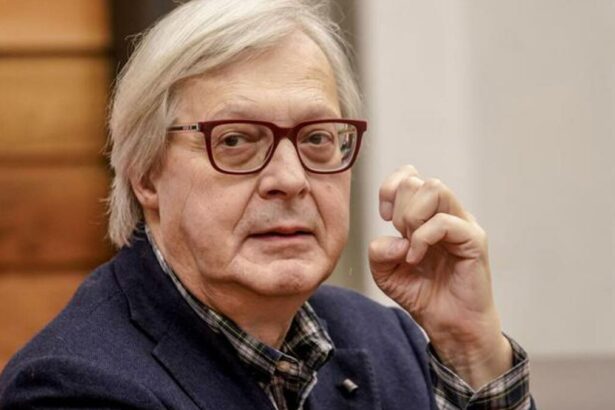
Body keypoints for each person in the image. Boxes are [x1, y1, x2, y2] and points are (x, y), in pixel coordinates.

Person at [0, 0, 534, 408]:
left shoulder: (389, 341)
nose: (290, 179)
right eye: (235, 140)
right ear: (146, 175)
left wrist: (469, 348)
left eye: (317, 138)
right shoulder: (75, 388)